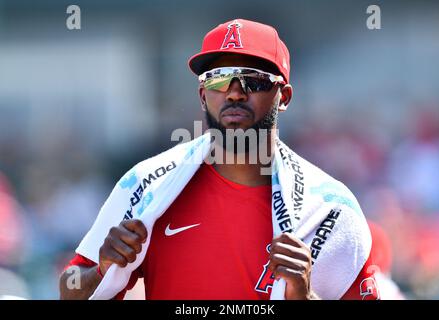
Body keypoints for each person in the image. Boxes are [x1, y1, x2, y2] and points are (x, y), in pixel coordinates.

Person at [59, 18, 379, 300]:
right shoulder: (147, 184)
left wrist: (304, 296)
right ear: (202, 95)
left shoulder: (329, 208)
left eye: (253, 79)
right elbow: (69, 290)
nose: (234, 92)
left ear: (284, 97)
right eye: (218, 79)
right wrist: (102, 270)